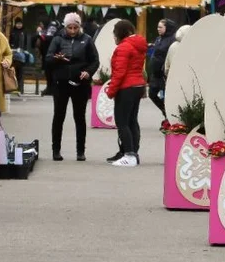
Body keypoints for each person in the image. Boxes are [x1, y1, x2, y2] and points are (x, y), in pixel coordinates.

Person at [46, 13, 100, 162]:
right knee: (59, 116)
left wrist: (88, 72)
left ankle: (80, 151)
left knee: (79, 117)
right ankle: (56, 150)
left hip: (80, 83)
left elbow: (95, 61)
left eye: (75, 27)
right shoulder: (58, 39)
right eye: (69, 27)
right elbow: (48, 58)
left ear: (79, 26)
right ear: (65, 26)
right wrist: (56, 58)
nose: (72, 30)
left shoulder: (87, 40)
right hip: (61, 83)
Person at [107, 20, 147, 167]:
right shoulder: (138, 45)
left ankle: (129, 155)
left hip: (126, 87)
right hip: (137, 85)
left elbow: (120, 72)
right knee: (132, 121)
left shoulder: (124, 47)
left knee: (122, 122)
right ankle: (132, 152)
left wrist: (111, 91)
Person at [147, 19, 177, 117]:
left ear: (167, 28)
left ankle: (168, 116)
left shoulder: (172, 40)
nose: (158, 29)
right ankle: (164, 110)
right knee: (152, 94)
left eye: (160, 27)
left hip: (164, 74)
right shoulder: (159, 38)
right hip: (156, 74)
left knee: (167, 97)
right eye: (158, 27)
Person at [37, 20, 60, 96]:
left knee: (52, 74)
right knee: (49, 74)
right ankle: (50, 88)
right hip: (49, 57)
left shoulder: (58, 35)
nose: (52, 29)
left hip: (53, 58)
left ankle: (52, 88)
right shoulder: (57, 35)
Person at [9, 16, 29, 94]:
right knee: (13, 71)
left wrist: (25, 50)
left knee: (20, 71)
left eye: (20, 24)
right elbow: (10, 41)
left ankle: (20, 88)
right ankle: (13, 87)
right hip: (13, 53)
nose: (19, 25)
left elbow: (26, 42)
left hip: (21, 53)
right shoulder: (12, 31)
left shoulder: (24, 31)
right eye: (18, 24)